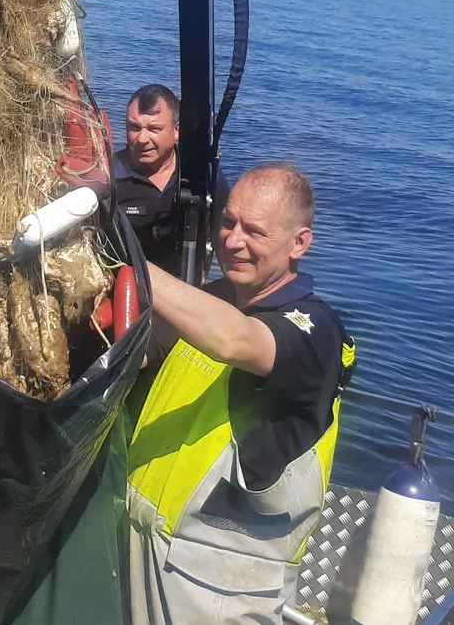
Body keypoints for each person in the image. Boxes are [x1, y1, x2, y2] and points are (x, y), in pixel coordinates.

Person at [125, 164, 355, 625]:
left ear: (299, 244)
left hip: (221, 586)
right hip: (140, 545)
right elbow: (139, 350)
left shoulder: (315, 331)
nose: (231, 240)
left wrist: (128, 253)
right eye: (227, 222)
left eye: (255, 231)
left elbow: (237, 341)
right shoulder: (214, 298)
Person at [113, 83, 228, 275]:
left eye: (154, 129)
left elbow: (226, 237)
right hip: (127, 284)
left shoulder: (200, 175)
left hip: (187, 288)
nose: (142, 139)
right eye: (134, 127)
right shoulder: (110, 174)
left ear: (176, 131)